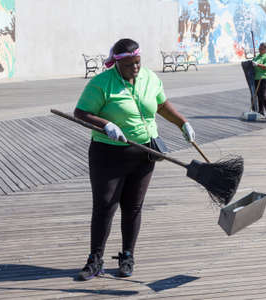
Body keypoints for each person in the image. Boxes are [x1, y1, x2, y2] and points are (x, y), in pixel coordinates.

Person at [74, 38, 196, 280]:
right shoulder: (102, 83)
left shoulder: (150, 78)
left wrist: (183, 122)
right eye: (130, 65)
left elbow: (161, 106)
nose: (136, 68)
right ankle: (95, 259)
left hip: (144, 153)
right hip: (108, 154)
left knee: (133, 206)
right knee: (105, 206)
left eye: (138, 62)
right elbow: (81, 113)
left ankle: (127, 256)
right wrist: (105, 124)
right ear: (118, 64)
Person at [251, 41, 266, 119]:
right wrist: (252, 62)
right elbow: (252, 64)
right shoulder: (257, 56)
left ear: (265, 49)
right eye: (259, 48)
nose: (260, 50)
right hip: (257, 78)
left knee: (263, 94)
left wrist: (257, 64)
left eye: (261, 49)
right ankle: (261, 112)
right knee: (258, 94)